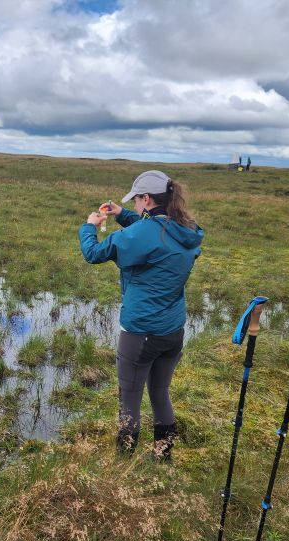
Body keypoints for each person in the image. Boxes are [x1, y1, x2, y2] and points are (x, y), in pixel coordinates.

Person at [79, 170, 204, 461]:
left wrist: (89, 226)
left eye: (136, 200)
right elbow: (153, 231)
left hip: (141, 332)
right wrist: (123, 214)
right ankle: (163, 457)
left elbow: (94, 253)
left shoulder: (143, 233)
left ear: (146, 199)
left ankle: (124, 467)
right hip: (173, 330)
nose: (135, 205)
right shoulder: (185, 229)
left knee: (130, 399)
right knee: (160, 392)